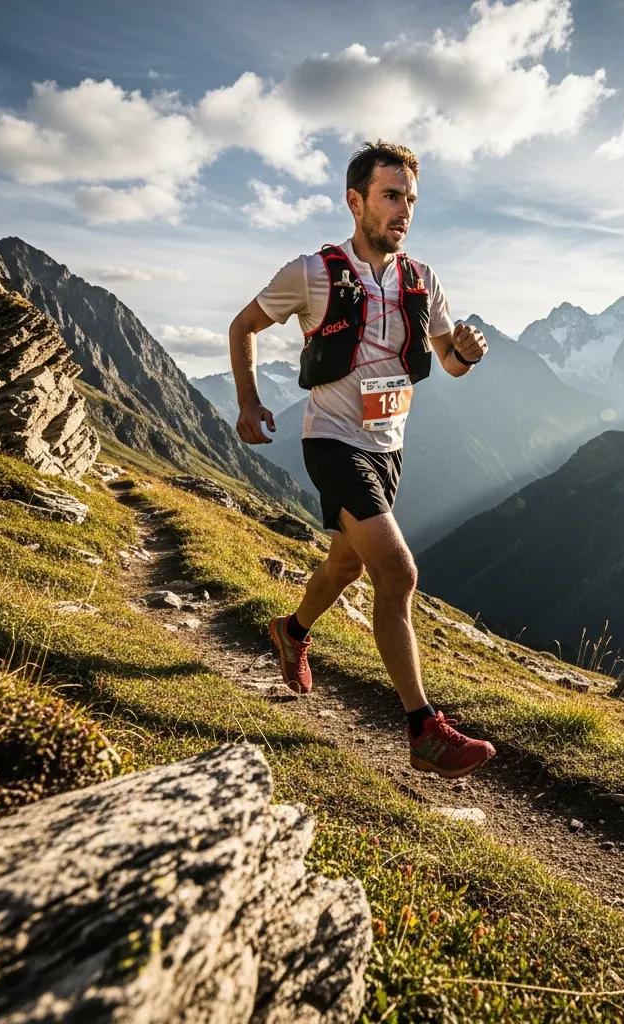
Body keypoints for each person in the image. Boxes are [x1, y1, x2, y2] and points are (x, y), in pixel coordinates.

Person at [228, 141, 496, 779]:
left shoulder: (423, 280)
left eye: (410, 199)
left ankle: (291, 631)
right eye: (391, 196)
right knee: (397, 574)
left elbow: (449, 365)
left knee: (347, 564)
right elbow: (243, 327)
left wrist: (466, 352)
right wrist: (247, 402)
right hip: (332, 442)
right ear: (356, 201)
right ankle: (423, 728)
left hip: (389, 447)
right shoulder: (313, 272)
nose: (404, 211)